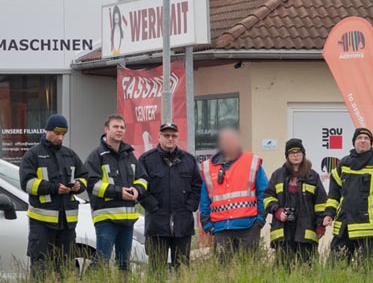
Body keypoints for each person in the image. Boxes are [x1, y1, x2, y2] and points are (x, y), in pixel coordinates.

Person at [19, 114, 88, 282]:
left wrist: (79, 185)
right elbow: (26, 183)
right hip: (42, 223)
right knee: (40, 265)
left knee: (65, 266)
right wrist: (54, 188)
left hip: (67, 223)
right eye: (57, 133)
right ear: (47, 131)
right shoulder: (33, 155)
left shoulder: (70, 155)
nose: (60, 137)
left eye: (63, 134)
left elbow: (84, 176)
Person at [323, 128, 373, 267]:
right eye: (359, 138)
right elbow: (334, 193)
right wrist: (329, 213)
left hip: (368, 227)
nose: (362, 140)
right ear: (354, 142)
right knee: (335, 269)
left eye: (366, 138)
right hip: (345, 226)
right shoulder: (344, 163)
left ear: (370, 143)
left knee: (365, 272)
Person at [85, 114, 148, 271]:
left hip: (127, 221)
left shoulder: (129, 155)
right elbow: (91, 184)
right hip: (106, 219)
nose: (119, 130)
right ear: (106, 129)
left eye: (122, 127)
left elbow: (143, 178)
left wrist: (137, 189)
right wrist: (118, 192)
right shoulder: (96, 156)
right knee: (102, 261)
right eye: (115, 127)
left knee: (124, 264)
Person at [139, 122, 202, 273]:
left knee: (182, 270)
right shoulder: (146, 160)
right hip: (157, 225)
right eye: (166, 135)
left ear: (177, 137)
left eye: (173, 135)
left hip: (182, 225)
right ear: (159, 137)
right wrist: (153, 206)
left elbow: (197, 186)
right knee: (156, 271)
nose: (170, 138)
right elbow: (140, 188)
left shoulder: (189, 160)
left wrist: (189, 207)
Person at [199, 127, 268, 263]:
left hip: (248, 227)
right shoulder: (208, 167)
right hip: (221, 229)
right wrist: (207, 223)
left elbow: (264, 192)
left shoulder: (251, 162)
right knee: (223, 271)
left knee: (249, 269)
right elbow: (205, 197)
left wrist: (260, 220)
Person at [263, 139, 327, 269]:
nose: (296, 155)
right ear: (287, 156)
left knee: (308, 269)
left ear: (303, 154)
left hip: (305, 231)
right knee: (282, 270)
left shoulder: (312, 176)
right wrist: (277, 211)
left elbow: (321, 203)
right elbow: (267, 196)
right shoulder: (278, 175)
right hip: (283, 231)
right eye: (292, 153)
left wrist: (320, 225)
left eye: (298, 152)